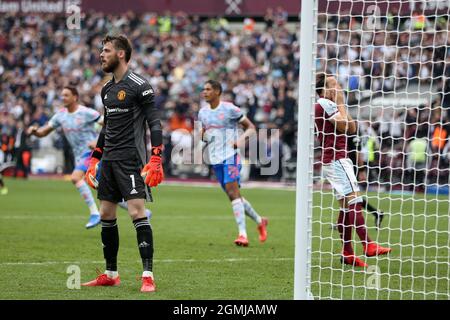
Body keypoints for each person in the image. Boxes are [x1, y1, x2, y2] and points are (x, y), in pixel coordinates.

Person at [81, 35, 163, 293]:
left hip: (131, 160)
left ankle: (147, 275)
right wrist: (94, 159)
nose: (101, 55)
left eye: (105, 51)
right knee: (106, 215)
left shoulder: (140, 85)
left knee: (137, 213)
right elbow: (107, 128)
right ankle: (111, 273)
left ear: (121, 54)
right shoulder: (106, 90)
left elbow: (155, 123)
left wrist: (156, 157)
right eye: (101, 50)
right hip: (109, 161)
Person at [315, 73, 391, 268]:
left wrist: (341, 104)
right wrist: (340, 102)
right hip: (337, 159)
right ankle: (368, 244)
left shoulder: (329, 104)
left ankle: (347, 253)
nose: (338, 87)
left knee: (345, 207)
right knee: (355, 200)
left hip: (332, 160)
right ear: (325, 88)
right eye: (334, 84)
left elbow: (353, 127)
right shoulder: (325, 103)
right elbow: (346, 126)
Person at [198, 80, 268, 247]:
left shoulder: (230, 109)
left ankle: (242, 234)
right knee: (234, 195)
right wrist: (205, 136)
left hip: (231, 156)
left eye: (208, 89)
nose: (204, 92)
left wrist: (240, 141)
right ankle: (260, 220)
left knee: (232, 192)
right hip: (215, 159)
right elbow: (203, 133)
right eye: (204, 89)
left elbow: (251, 127)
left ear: (217, 92)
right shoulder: (202, 113)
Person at [27, 86, 104, 229]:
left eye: (66, 95)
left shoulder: (87, 113)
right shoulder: (60, 116)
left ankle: (95, 213)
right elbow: (44, 132)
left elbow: (108, 124)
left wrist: (99, 142)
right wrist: (35, 132)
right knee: (103, 189)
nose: (63, 98)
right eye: (62, 95)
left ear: (75, 97)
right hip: (78, 156)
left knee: (76, 178)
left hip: (91, 153)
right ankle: (139, 210)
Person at [346, 130, 384, 229]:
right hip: (346, 167)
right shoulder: (345, 133)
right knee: (347, 196)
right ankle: (376, 213)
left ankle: (376, 213)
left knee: (350, 195)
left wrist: (362, 170)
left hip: (351, 168)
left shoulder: (353, 135)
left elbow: (359, 154)